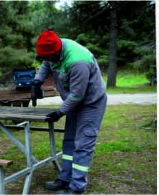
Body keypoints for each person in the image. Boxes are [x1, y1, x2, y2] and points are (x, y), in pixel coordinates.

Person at [32, 29, 107, 195]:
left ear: (57, 51)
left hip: (90, 103)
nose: (45, 60)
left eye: (48, 56)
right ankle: (65, 178)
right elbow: (46, 65)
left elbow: (77, 96)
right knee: (70, 141)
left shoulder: (78, 61)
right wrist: (37, 82)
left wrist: (59, 112)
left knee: (83, 143)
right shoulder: (52, 51)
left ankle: (77, 188)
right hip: (73, 102)